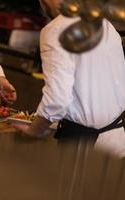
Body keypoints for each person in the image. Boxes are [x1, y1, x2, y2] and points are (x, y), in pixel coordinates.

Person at [13, 0, 125, 157]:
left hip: (84, 147)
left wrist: (34, 131)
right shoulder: (105, 24)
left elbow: (57, 100)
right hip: (117, 139)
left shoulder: (55, 30)